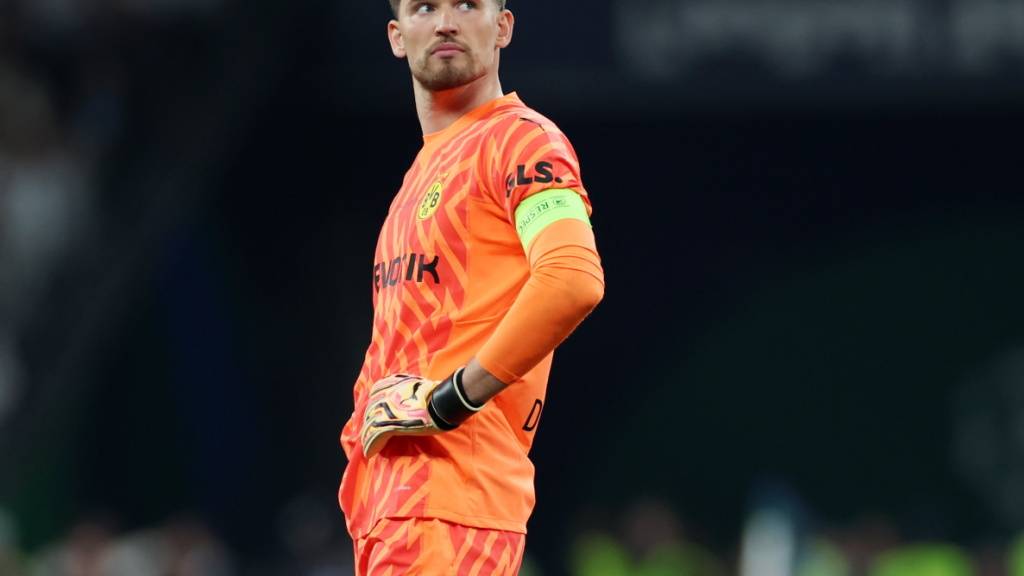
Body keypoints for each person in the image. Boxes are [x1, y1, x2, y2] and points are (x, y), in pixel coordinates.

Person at [338, 0, 605, 573]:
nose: (445, 22)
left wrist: (450, 399)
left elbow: (572, 276)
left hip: (448, 507)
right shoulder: (418, 178)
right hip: (394, 513)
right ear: (397, 36)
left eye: (466, 4)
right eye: (424, 7)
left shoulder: (521, 141)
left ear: (502, 26)